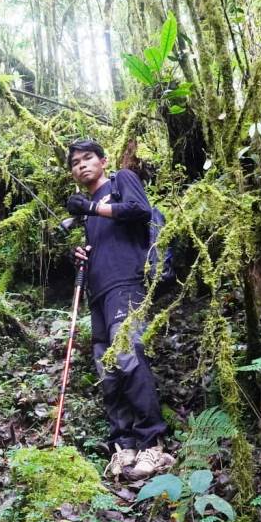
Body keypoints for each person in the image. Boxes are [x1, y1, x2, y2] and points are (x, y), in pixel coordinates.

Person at [64, 138, 172, 480]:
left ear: (103, 160)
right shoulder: (89, 209)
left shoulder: (121, 181)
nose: (82, 165)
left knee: (128, 357)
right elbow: (106, 240)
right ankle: (123, 447)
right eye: (75, 162)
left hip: (127, 284)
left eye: (88, 158)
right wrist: (81, 255)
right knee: (106, 369)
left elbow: (139, 210)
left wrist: (92, 209)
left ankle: (154, 446)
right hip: (99, 294)